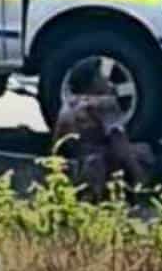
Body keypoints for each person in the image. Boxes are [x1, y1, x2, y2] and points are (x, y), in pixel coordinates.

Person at [52, 58, 153, 201]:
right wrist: (139, 177)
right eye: (101, 76)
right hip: (96, 167)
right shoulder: (104, 105)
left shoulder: (69, 104)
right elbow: (120, 146)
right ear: (92, 83)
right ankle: (129, 195)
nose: (108, 82)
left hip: (71, 167)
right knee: (144, 151)